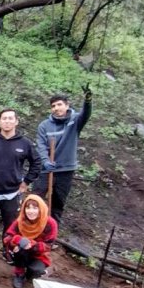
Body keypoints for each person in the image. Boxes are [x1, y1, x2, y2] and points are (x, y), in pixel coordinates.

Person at [0, 109, 42, 236]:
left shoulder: (24, 143)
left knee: (11, 227)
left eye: (10, 118)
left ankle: (7, 253)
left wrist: (26, 182)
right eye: (4, 118)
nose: (7, 121)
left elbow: (37, 163)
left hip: (12, 193)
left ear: (16, 122)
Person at [35, 88, 92, 224]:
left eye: (59, 104)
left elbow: (86, 114)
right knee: (35, 199)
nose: (56, 108)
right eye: (53, 106)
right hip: (47, 169)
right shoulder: (44, 126)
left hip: (65, 170)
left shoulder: (75, 121)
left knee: (58, 203)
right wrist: (45, 161)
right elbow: (41, 146)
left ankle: (51, 234)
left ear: (67, 105)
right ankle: (32, 230)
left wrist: (88, 101)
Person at [3, 195, 58, 288]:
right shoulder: (20, 221)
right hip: (21, 252)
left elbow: (49, 245)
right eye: (28, 208)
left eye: (35, 208)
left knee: (36, 271)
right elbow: (7, 237)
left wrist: (33, 244)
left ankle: (29, 273)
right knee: (22, 245)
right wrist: (17, 240)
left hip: (39, 254)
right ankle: (19, 274)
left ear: (41, 209)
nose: (31, 211)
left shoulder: (50, 224)